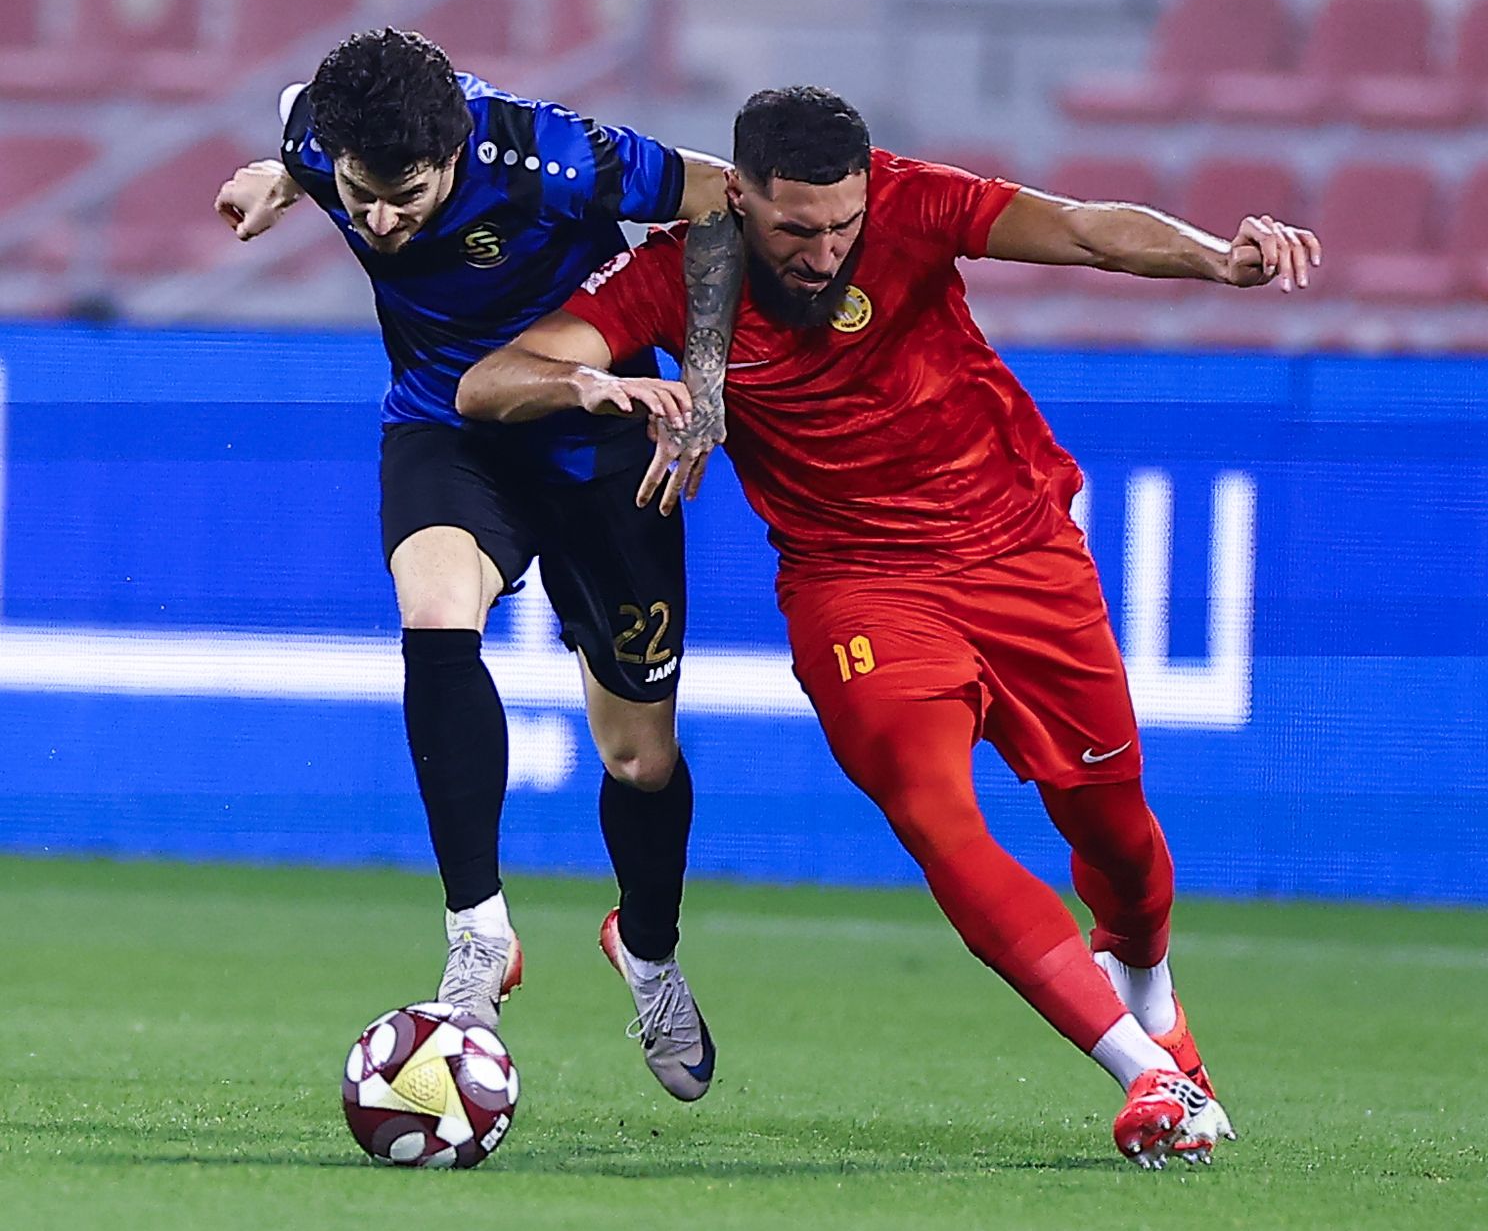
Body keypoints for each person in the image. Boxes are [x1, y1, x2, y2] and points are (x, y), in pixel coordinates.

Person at [455, 84, 1323, 1168]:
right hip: (856, 590)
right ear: (739, 197)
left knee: (1116, 834)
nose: (823, 253)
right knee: (937, 817)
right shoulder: (677, 274)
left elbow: (1084, 230)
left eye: (842, 226)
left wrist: (1217, 259)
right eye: (795, 229)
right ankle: (1145, 1074)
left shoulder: (916, 204)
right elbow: (489, 382)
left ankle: (1145, 981)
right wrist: (598, 387)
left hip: (1020, 551)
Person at [213, 29, 743, 1103]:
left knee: (639, 757)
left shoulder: (561, 157)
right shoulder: (321, 132)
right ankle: (479, 933)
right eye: (358, 196)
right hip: (447, 432)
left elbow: (724, 202)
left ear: (453, 152)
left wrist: (704, 378)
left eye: (403, 197)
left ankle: (647, 950)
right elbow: (308, 139)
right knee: (436, 615)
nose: (379, 222)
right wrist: (285, 179)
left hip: (601, 439)